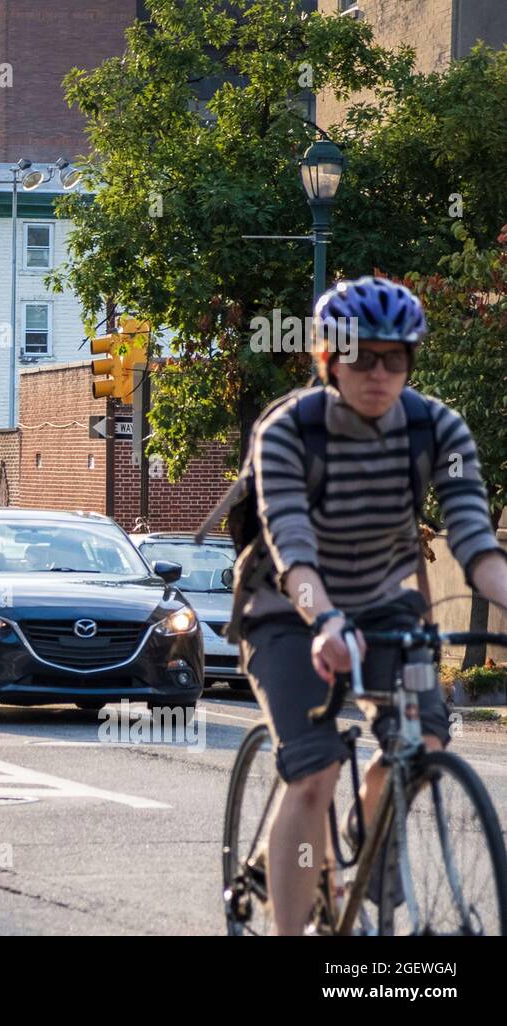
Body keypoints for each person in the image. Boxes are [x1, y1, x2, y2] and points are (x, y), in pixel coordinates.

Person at [242, 276, 507, 935]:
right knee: (316, 768)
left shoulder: (436, 427)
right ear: (328, 359)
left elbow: (475, 540)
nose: (380, 372)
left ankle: (363, 835)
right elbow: (291, 547)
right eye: (362, 356)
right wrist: (324, 620)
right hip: (287, 608)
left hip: (387, 603)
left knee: (426, 737)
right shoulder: (288, 432)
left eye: (396, 358)